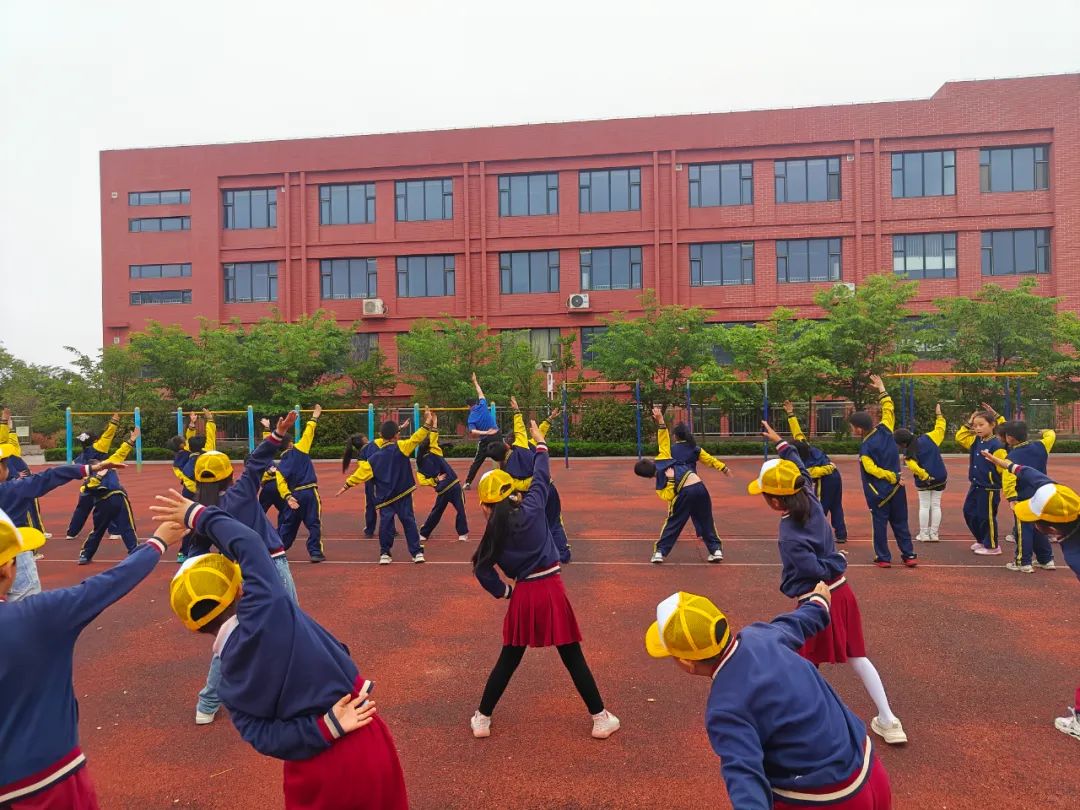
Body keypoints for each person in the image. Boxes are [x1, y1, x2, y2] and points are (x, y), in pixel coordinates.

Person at [154, 495, 408, 809]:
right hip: (361, 733)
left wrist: (324, 728)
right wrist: (197, 514)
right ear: (239, 589)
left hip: (313, 760)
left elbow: (262, 736)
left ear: (194, 628)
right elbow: (247, 541)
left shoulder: (228, 684)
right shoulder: (269, 605)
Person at [644, 586, 893, 809]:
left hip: (826, 798)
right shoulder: (761, 635)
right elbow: (801, 621)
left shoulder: (724, 708)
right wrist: (818, 600)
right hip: (870, 769)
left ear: (687, 663)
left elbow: (744, 775)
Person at [0, 507, 181, 809]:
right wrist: (158, 542)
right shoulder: (38, 616)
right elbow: (109, 584)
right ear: (7, 567)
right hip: (48, 781)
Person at [757, 420, 908, 745]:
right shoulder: (809, 497)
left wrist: (834, 562)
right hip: (843, 591)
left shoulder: (789, 535)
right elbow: (802, 468)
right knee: (856, 656)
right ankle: (889, 719)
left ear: (773, 501)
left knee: (802, 661)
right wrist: (781, 443)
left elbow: (814, 571)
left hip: (817, 599)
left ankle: (801, 724)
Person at [468, 418, 618, 740]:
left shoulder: (492, 538)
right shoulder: (533, 506)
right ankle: (600, 718)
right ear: (512, 492)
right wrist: (540, 442)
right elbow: (542, 475)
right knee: (572, 656)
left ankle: (482, 717)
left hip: (523, 594)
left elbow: (481, 570)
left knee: (509, 658)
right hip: (551, 588)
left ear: (484, 505)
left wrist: (505, 592)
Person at [186, 412, 301, 726]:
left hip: (236, 575)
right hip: (271, 564)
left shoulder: (201, 512)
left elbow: (194, 551)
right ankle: (295, 689)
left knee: (233, 635)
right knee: (293, 624)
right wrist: (277, 433)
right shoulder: (241, 492)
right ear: (228, 476)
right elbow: (257, 461)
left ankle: (208, 702)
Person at [980, 449, 1080, 741]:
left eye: (1035, 519)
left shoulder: (1076, 555)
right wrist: (1009, 465)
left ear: (1047, 528)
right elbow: (1038, 479)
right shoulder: (1069, 503)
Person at [475, 398, 571, 563]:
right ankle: (563, 553)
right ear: (508, 446)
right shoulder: (524, 446)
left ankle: (543, 552)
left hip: (531, 495)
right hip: (546, 487)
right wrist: (516, 411)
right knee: (555, 521)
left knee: (539, 522)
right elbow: (526, 430)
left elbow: (510, 488)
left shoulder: (503, 473)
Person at [633, 406, 725, 564]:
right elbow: (663, 440)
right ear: (650, 461)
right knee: (706, 520)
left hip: (686, 492)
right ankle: (715, 550)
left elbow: (669, 496)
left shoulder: (660, 483)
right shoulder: (664, 457)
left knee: (674, 522)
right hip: (700, 486)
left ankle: (660, 552)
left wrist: (669, 481)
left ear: (647, 477)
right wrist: (660, 420)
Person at [337, 411, 433, 565]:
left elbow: (361, 473)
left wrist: (347, 485)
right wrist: (427, 422)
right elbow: (417, 438)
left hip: (385, 497)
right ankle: (416, 552)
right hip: (403, 494)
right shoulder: (402, 447)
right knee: (408, 521)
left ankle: (385, 553)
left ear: (381, 435)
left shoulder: (373, 458)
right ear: (397, 436)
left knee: (386, 524)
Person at [847, 375, 917, 568]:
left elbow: (871, 469)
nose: (852, 430)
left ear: (859, 429)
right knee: (901, 522)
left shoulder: (866, 447)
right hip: (897, 488)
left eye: (852, 427)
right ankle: (909, 554)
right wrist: (881, 388)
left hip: (879, 491)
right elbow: (889, 408)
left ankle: (883, 557)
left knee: (880, 524)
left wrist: (890, 476)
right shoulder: (886, 429)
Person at [782, 400, 847, 544]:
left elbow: (815, 472)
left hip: (827, 478)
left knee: (820, 505)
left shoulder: (806, 465)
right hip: (835, 476)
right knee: (836, 505)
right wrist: (790, 413)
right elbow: (797, 431)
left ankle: (817, 532)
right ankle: (841, 534)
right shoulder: (805, 445)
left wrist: (829, 467)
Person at [999, 420, 1057, 573]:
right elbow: (1051, 435)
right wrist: (1045, 430)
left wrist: (1011, 498)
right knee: (1039, 527)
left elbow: (1009, 479)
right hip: (1042, 493)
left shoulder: (1011, 456)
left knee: (1023, 529)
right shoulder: (1040, 446)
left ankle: (1023, 561)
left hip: (1023, 497)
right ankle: (1046, 559)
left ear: (1010, 438)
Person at [77, 428, 140, 565]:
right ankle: (86, 554)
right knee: (101, 530)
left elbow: (120, 453)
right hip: (103, 501)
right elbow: (87, 487)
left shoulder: (103, 461)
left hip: (116, 497)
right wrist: (99, 476)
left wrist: (131, 440)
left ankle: (134, 552)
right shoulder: (86, 464)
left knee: (126, 527)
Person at [955, 402, 1007, 556]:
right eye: (975, 425)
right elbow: (960, 437)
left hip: (989, 487)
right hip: (976, 485)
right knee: (969, 512)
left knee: (986, 516)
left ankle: (992, 546)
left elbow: (1003, 468)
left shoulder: (997, 445)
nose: (977, 428)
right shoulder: (976, 441)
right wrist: (968, 422)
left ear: (992, 425)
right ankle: (981, 539)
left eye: (981, 425)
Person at [276, 405, 326, 563]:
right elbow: (308, 433)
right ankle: (315, 552)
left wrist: (288, 496)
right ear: (290, 443)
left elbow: (281, 484)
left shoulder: (280, 465)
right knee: (313, 523)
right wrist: (314, 417)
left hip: (294, 495)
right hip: (309, 492)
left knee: (289, 525)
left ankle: (277, 550)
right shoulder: (300, 449)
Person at [892, 403, 948, 543]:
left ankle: (923, 534)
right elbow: (940, 428)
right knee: (936, 505)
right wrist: (939, 415)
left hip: (925, 480)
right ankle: (934, 534)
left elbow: (915, 468)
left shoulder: (908, 453)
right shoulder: (930, 437)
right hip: (941, 476)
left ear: (902, 444)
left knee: (924, 505)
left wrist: (925, 476)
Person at [63, 413, 121, 542]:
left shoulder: (82, 456)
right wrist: (114, 421)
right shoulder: (99, 447)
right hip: (103, 483)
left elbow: (73, 468)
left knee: (82, 509)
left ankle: (72, 532)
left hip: (87, 486)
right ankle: (114, 531)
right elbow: (108, 434)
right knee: (109, 505)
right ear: (95, 440)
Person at [416, 412, 469, 543]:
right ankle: (462, 534)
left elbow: (422, 481)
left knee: (436, 512)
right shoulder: (436, 452)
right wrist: (435, 422)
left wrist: (435, 480)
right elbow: (434, 437)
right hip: (454, 485)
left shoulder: (420, 464)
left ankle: (424, 534)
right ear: (430, 447)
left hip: (442, 490)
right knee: (461, 510)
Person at [0, 408, 47, 537]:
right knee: (20, 511)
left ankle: (37, 531)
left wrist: (8, 425)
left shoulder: (10, 450)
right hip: (13, 482)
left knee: (30, 506)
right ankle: (27, 539)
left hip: (18, 478)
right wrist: (14, 475)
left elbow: (11, 443)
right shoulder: (4, 452)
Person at [462, 372, 501, 490]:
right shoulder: (483, 404)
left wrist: (485, 433)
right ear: (476, 403)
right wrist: (475, 381)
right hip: (497, 435)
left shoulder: (471, 417)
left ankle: (467, 482)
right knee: (504, 456)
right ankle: (510, 478)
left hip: (486, 440)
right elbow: (480, 392)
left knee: (477, 462)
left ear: (469, 406)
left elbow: (473, 432)